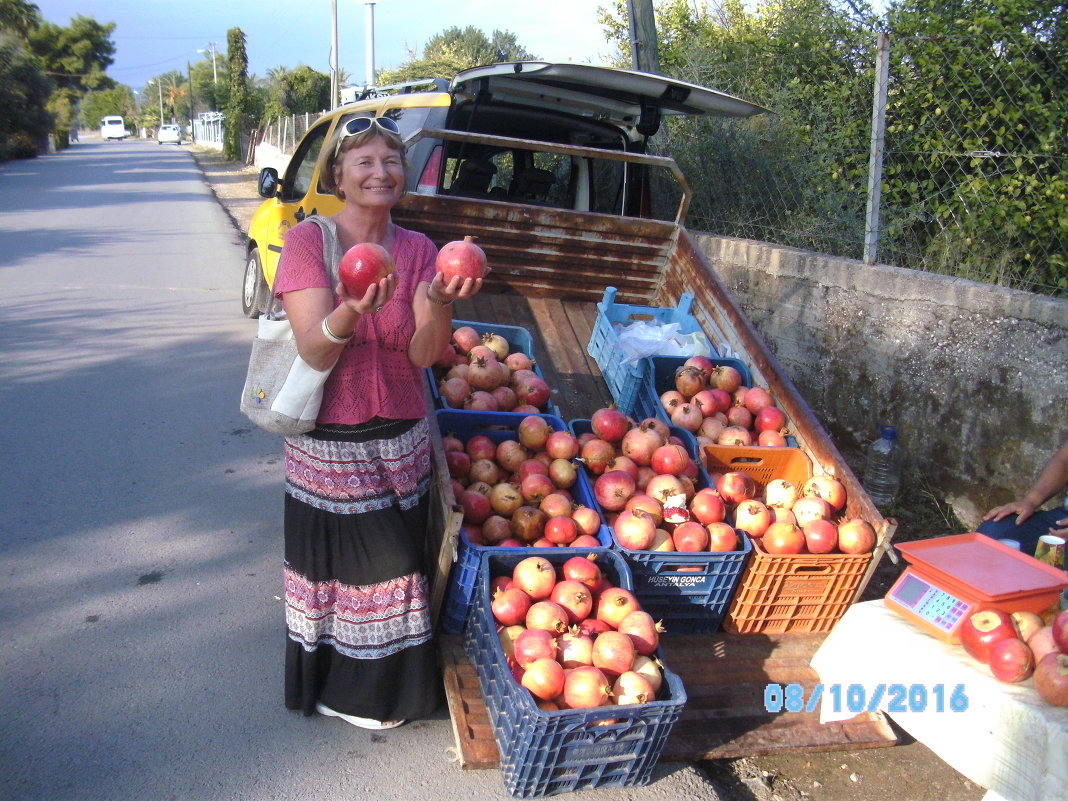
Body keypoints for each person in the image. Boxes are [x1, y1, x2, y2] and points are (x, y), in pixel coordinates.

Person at [270, 115, 483, 729]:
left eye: (390, 161)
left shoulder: (418, 250)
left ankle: (378, 689)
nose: (379, 172)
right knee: (363, 572)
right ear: (338, 174)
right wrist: (351, 310)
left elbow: (424, 356)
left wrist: (438, 302)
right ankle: (354, 693)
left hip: (404, 439)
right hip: (331, 442)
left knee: (396, 572)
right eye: (363, 161)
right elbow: (313, 349)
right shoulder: (310, 241)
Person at [978, 441, 1068, 556]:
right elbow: (1064, 461)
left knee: (1056, 562)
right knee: (991, 533)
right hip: (1062, 517)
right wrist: (1030, 501)